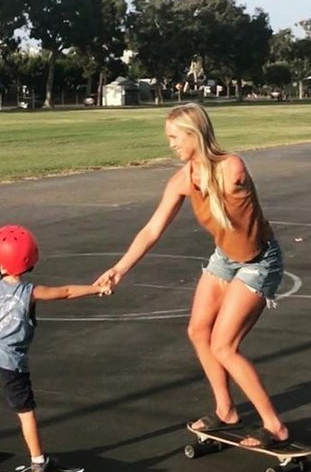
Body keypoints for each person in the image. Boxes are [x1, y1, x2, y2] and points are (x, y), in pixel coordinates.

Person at [94, 102, 289, 448]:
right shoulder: (182, 180)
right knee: (198, 331)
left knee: (224, 346)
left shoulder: (232, 168)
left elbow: (235, 192)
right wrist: (119, 269)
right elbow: (152, 229)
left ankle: (274, 426)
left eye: (174, 137)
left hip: (259, 262)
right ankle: (226, 410)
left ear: (193, 135)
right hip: (224, 259)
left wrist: (215, 181)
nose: (170, 144)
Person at [0, 224, 111, 472]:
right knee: (25, 412)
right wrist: (97, 288)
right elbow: (66, 292)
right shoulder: (29, 292)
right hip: (10, 362)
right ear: (29, 260)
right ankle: (38, 462)